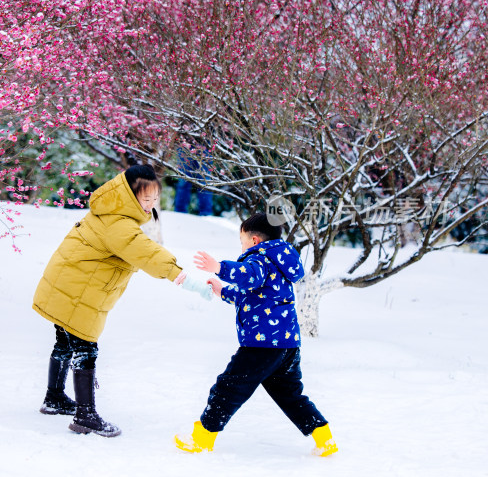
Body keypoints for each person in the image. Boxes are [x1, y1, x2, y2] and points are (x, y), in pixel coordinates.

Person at [33, 165, 187, 437]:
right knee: (85, 348)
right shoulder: (119, 224)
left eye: (155, 199)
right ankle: (85, 415)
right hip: (78, 290)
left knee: (65, 341)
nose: (150, 205)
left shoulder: (109, 211)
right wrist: (179, 273)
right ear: (129, 196)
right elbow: (148, 254)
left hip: (66, 283)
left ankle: (54, 398)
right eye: (145, 199)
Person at [175, 213, 338, 456]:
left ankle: (202, 438)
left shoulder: (260, 259)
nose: (241, 247)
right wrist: (222, 291)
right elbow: (253, 294)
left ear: (253, 240)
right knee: (291, 395)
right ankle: (324, 438)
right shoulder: (279, 261)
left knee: (228, 387)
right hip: (287, 345)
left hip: (262, 346)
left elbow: (248, 275)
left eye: (241, 242)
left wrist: (219, 268)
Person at [173, 148, 213, 216]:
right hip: (185, 144)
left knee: (205, 182)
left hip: (205, 144)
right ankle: (180, 213)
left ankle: (206, 214)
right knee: (183, 180)